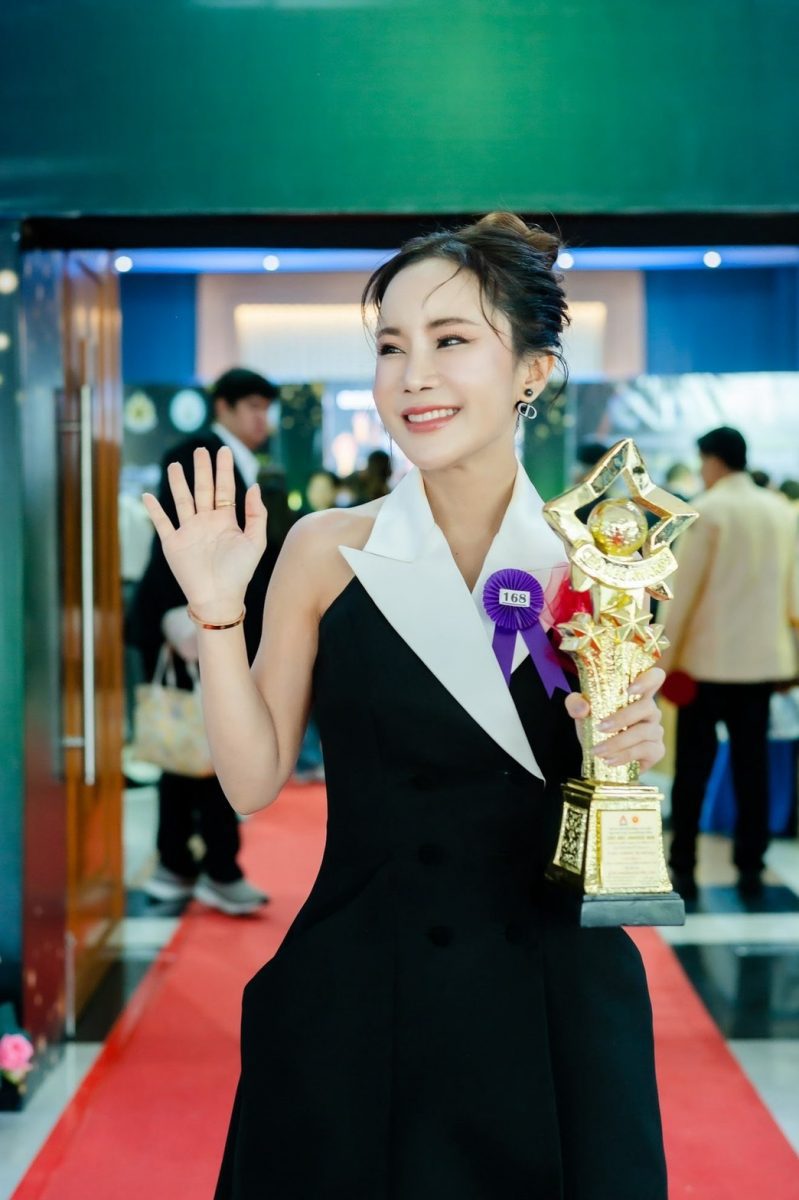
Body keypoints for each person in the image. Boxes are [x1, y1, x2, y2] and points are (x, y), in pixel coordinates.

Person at [143, 213, 669, 1198]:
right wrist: (216, 612)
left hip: (551, 995)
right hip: (364, 989)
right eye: (391, 347)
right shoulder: (326, 549)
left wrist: (630, 751)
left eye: (451, 340)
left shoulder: (599, 563)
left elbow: (609, 784)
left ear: (532, 371)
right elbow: (251, 785)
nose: (413, 376)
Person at [129, 367, 280, 916]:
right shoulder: (200, 454)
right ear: (224, 407)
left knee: (200, 748)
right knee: (200, 748)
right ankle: (210, 867)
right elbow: (179, 544)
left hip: (206, 622)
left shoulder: (243, 460)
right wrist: (184, 617)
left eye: (266, 408)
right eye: (253, 407)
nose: (263, 420)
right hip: (188, 625)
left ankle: (184, 864)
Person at [661, 426, 799, 899]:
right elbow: (794, 594)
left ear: (713, 460)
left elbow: (682, 594)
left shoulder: (709, 511)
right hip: (762, 664)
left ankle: (684, 865)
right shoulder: (780, 511)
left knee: (693, 770)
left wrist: (663, 659)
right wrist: (793, 660)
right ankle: (751, 866)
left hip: (705, 663)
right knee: (752, 768)